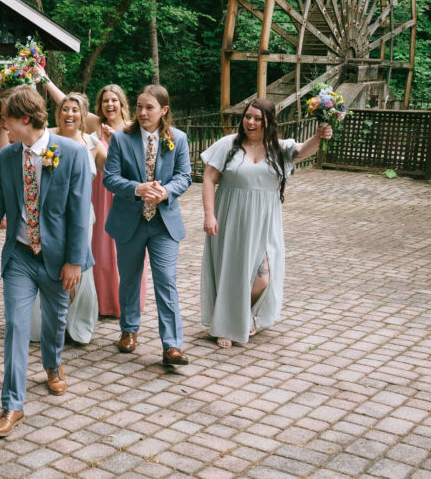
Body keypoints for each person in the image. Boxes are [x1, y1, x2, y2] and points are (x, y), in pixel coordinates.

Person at [0, 86, 93, 438]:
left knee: (55, 320)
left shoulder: (71, 153)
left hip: (58, 258)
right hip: (20, 255)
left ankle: (53, 364)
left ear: (25, 118)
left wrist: (74, 261)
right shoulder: (7, 157)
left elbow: (79, 212)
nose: (0, 123)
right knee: (16, 328)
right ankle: (12, 404)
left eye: (5, 116)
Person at [200, 98, 331, 347]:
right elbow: (208, 178)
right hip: (231, 218)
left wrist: (319, 136)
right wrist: (209, 215)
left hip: (265, 221)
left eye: (257, 118)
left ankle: (242, 315)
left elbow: (303, 151)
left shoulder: (278, 148)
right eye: (247, 116)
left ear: (268, 121)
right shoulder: (229, 145)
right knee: (232, 273)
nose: (250, 122)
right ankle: (227, 325)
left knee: (262, 279)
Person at [103, 85, 192, 366]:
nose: (142, 112)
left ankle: (172, 346)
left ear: (164, 110)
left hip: (163, 223)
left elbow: (185, 176)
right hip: (130, 220)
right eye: (140, 106)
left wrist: (165, 192)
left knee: (166, 281)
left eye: (149, 107)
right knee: (129, 279)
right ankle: (129, 330)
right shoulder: (120, 139)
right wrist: (138, 188)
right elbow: (110, 178)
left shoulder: (178, 139)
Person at [28, 87, 106, 345]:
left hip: (84, 216)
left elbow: (118, 171)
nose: (69, 114)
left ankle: (77, 321)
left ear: (83, 116)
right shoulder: (46, 138)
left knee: (78, 266)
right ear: (58, 113)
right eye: (65, 109)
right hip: (48, 215)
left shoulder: (93, 144)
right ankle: (48, 323)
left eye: (75, 110)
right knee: (49, 264)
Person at [92, 84, 145, 319]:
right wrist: (44, 79)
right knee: (100, 248)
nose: (109, 105)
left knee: (124, 249)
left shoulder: (132, 130)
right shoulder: (95, 126)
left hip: (124, 194)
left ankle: (127, 303)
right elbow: (68, 104)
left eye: (114, 100)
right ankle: (102, 303)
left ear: (122, 103)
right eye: (105, 101)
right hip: (99, 193)